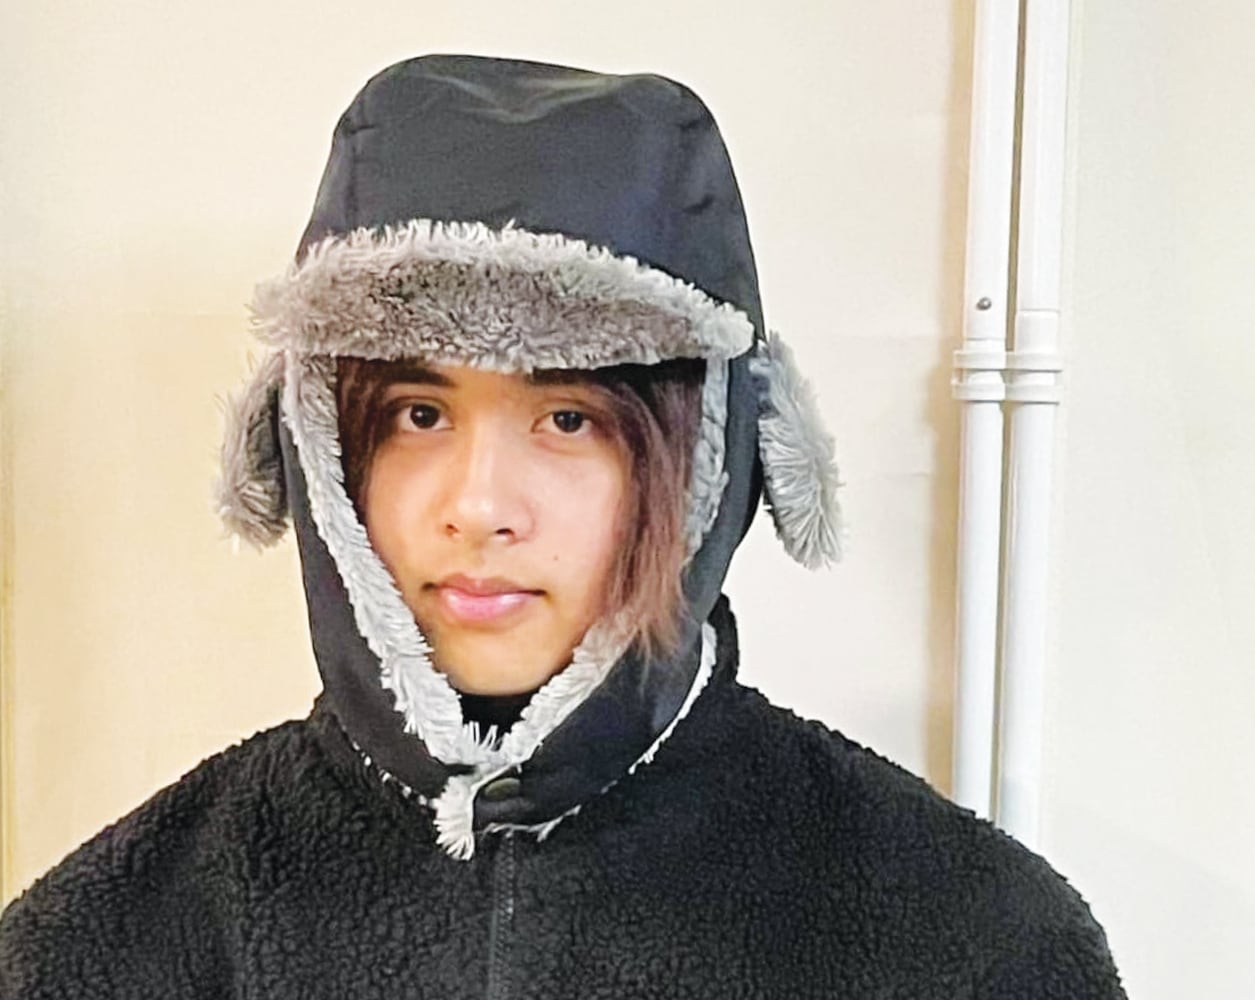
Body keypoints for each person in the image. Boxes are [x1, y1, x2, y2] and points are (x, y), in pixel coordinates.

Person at [0, 54, 1127, 998]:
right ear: (310, 448)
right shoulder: (105, 948)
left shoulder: (972, 944)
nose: (480, 506)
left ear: (717, 456)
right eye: (419, 412)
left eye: (570, 417)